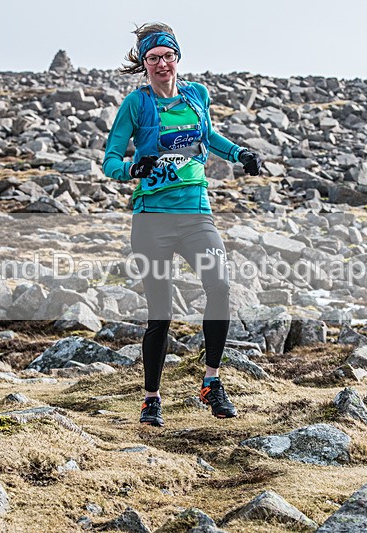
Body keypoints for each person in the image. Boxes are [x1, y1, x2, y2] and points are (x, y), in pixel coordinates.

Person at [102, 22, 263, 427]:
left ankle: (211, 382)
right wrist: (131, 167)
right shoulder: (135, 105)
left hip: (195, 214)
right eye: (153, 58)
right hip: (152, 220)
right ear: (143, 63)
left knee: (220, 287)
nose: (161, 64)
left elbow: (210, 136)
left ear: (177, 58)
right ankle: (151, 399)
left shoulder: (196, 95)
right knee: (161, 312)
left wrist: (240, 153)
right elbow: (110, 161)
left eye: (167, 56)